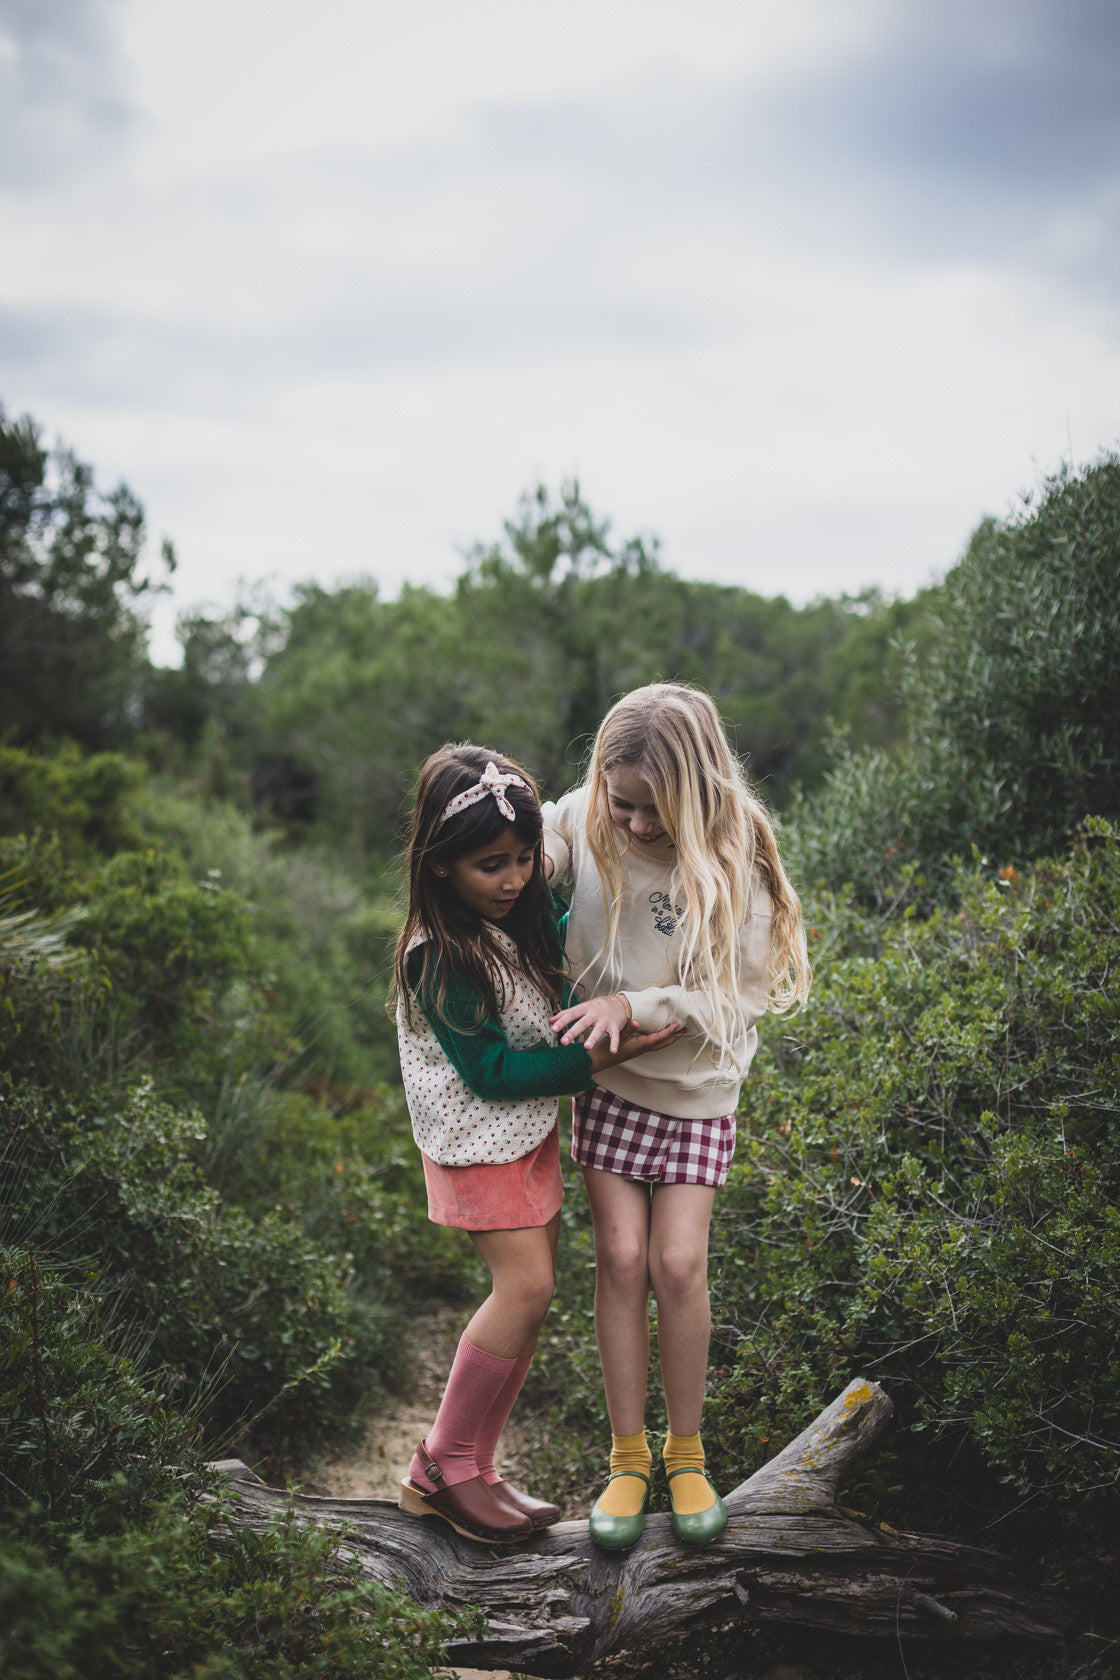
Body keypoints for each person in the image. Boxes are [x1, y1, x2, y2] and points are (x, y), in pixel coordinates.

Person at [393, 744, 685, 1545]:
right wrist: (595, 1059)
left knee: (536, 1295)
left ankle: (476, 1467)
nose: (516, 877)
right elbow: (488, 1071)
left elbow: (558, 950)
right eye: (492, 864)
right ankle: (438, 1466)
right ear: (442, 865)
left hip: (525, 1135)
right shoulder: (438, 954)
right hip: (475, 1141)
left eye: (525, 858)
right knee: (521, 1293)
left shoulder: (508, 916)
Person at [543, 683, 811, 1548]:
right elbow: (544, 827)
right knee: (621, 1260)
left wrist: (639, 1003)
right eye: (620, 802)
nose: (633, 823)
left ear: (694, 793)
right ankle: (628, 1458)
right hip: (611, 1085)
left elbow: (736, 996)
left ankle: (686, 1454)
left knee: (679, 1264)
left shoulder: (738, 853)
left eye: (653, 810)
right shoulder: (592, 812)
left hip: (692, 1086)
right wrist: (533, 849)